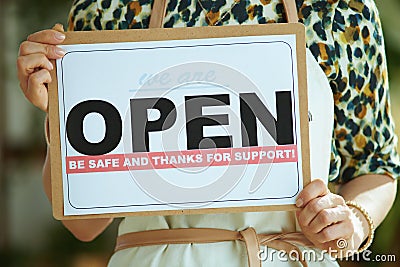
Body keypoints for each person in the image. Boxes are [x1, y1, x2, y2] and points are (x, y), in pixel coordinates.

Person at [16, 0, 399, 266]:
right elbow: (83, 224)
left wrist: (352, 219)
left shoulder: (342, 14)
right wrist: (57, 114)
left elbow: (377, 165)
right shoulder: (108, 11)